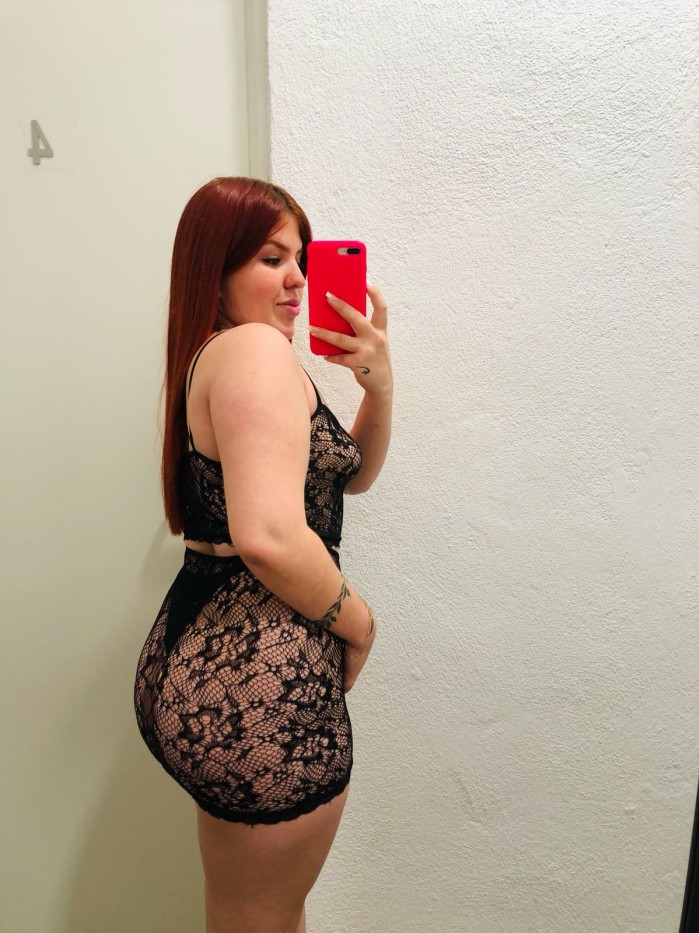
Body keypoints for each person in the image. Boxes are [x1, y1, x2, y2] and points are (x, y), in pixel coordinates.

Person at [133, 176, 392, 933]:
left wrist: (377, 386)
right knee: (263, 916)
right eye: (272, 259)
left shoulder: (222, 353)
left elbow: (351, 477)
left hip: (212, 663)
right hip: (257, 681)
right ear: (214, 269)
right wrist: (360, 623)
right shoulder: (253, 352)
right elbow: (270, 534)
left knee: (250, 911)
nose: (298, 280)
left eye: (301, 259)